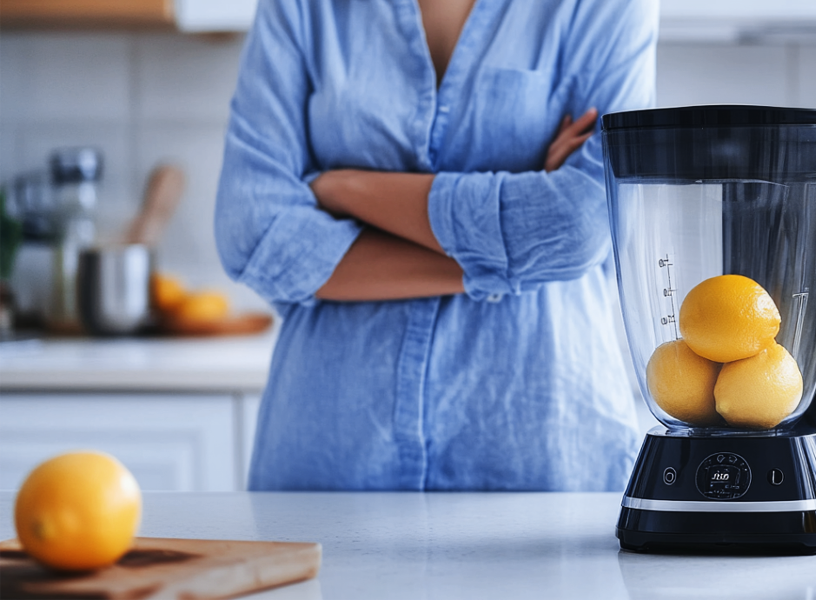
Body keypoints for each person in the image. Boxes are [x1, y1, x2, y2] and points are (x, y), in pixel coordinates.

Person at [214, 0, 657, 491]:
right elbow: (251, 231)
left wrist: (344, 188)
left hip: (541, 446)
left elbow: (584, 222)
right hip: (332, 453)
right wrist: (516, 252)